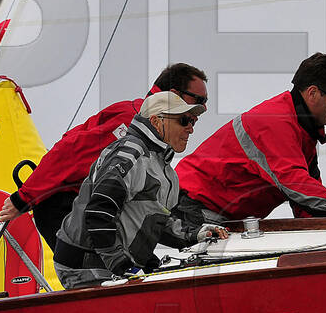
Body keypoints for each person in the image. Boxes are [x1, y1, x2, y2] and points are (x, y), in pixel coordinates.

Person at [0, 64, 208, 249]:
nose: (205, 108)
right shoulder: (131, 121)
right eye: (199, 100)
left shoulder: (159, 132)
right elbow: (68, 153)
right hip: (65, 205)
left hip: (96, 208)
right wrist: (23, 199)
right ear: (173, 94)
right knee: (95, 270)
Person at [54, 91, 212, 288]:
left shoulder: (163, 168)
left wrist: (197, 234)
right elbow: (98, 212)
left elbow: (158, 222)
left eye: (193, 122)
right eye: (184, 120)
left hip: (108, 262)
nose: (191, 129)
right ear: (156, 122)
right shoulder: (130, 155)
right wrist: (121, 265)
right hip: (87, 266)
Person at [178, 53, 326, 221]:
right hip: (193, 203)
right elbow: (294, 183)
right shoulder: (275, 121)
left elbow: (308, 200)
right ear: (312, 93)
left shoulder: (304, 132)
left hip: (216, 211)